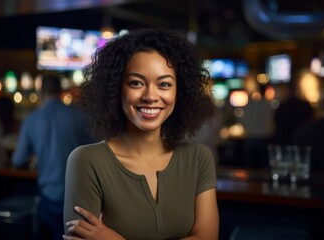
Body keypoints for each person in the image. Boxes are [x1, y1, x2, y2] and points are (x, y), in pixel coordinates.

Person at [63, 29, 219, 240]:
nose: (150, 96)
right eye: (136, 83)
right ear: (116, 89)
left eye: (164, 84)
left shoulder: (198, 158)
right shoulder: (87, 161)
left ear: (178, 92)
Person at [12, 74, 94, 240]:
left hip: (47, 196)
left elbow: (18, 160)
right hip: (77, 196)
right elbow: (97, 150)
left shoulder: (31, 119)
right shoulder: (79, 116)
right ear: (60, 90)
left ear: (41, 91)